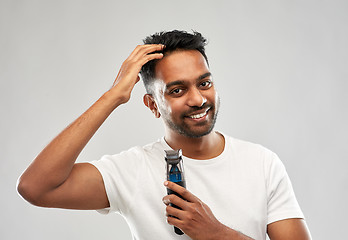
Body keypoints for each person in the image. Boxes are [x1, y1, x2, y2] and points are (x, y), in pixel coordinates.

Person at [17, 30, 311, 240]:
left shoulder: (262, 163)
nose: (197, 99)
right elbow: (35, 187)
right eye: (177, 90)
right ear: (153, 105)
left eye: (205, 83)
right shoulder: (131, 170)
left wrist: (216, 234)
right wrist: (113, 96)